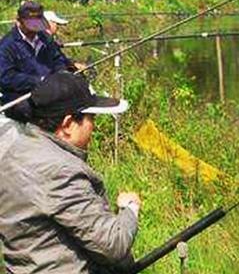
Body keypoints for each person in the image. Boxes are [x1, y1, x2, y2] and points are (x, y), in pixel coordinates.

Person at [0, 71, 140, 273]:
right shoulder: (60, 171)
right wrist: (130, 208)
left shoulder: (13, 152)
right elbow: (113, 243)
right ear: (67, 124)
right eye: (90, 118)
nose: (94, 127)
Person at [0, 2, 77, 122]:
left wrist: (62, 73)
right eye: (31, 26)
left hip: (50, 87)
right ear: (18, 22)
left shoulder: (45, 38)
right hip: (21, 94)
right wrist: (39, 81)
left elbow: (57, 58)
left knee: (76, 94)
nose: (35, 30)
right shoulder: (6, 46)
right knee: (25, 109)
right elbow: (7, 78)